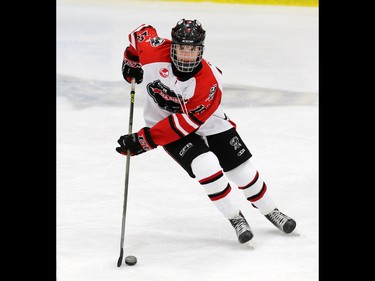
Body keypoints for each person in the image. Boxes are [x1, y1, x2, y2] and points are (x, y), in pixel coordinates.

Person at [116, 19, 296, 244]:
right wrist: (131, 59)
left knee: (243, 172)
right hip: (163, 123)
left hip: (207, 123)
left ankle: (271, 211)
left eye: (192, 50)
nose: (185, 55)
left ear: (201, 51)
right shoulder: (153, 50)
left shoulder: (210, 82)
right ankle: (236, 218)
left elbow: (185, 124)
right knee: (206, 166)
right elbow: (138, 34)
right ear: (172, 46)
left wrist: (144, 140)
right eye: (181, 48)